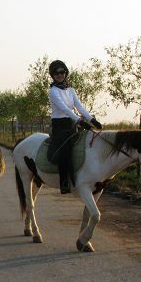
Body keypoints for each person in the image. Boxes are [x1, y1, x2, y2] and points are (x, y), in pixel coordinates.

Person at [48, 60, 102, 194]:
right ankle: (65, 182)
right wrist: (79, 121)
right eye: (56, 73)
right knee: (65, 150)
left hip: (72, 124)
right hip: (60, 125)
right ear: (53, 75)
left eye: (62, 72)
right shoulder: (53, 91)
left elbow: (79, 106)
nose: (60, 75)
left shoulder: (71, 90)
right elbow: (65, 109)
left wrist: (92, 119)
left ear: (65, 73)